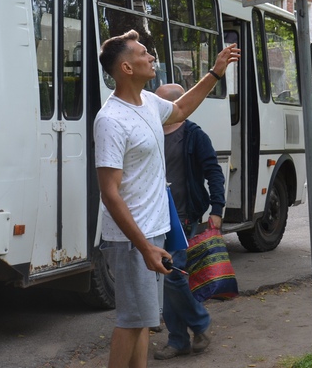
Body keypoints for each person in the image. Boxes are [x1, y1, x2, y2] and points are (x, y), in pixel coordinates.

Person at [94, 30, 239, 368]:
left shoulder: (148, 102)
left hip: (155, 228)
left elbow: (182, 107)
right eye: (144, 53)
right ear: (127, 68)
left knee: (144, 318)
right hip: (134, 238)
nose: (151, 58)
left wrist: (215, 72)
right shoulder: (111, 120)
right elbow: (109, 192)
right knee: (131, 322)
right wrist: (144, 246)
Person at [152, 83, 226, 361]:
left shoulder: (194, 135)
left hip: (183, 215)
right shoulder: (152, 131)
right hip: (156, 216)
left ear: (174, 106)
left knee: (173, 275)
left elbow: (213, 172)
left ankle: (198, 324)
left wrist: (217, 207)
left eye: (160, 104)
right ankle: (179, 340)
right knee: (169, 275)